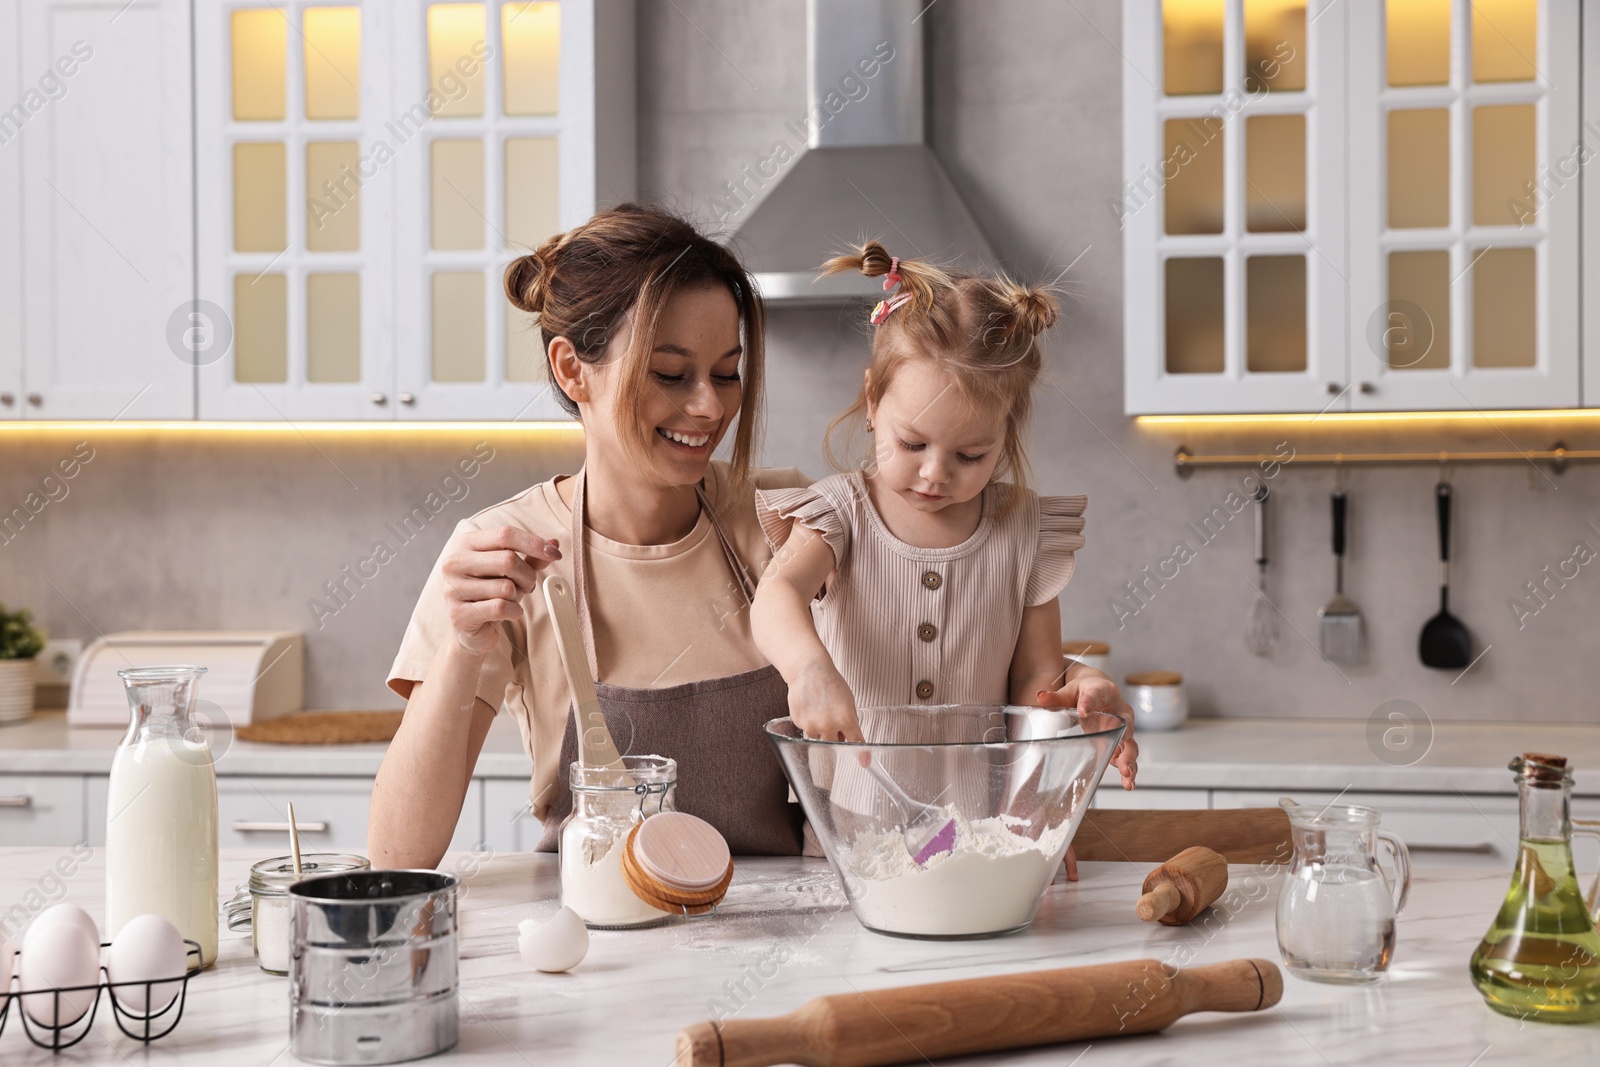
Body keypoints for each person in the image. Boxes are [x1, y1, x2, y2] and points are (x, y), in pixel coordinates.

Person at [369, 204, 808, 869]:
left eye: (726, 372)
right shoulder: (500, 551)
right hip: (596, 931)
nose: (710, 407)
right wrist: (463, 646)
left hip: (781, 925)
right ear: (573, 370)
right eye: (670, 373)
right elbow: (400, 855)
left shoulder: (785, 516)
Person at [750, 241, 1138, 797]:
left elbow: (1035, 681)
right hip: (850, 833)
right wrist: (807, 669)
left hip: (981, 831)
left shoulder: (1025, 531)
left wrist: (1036, 808)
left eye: (970, 455)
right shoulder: (838, 513)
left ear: (1007, 432)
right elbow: (776, 593)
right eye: (912, 443)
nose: (935, 473)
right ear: (871, 401)